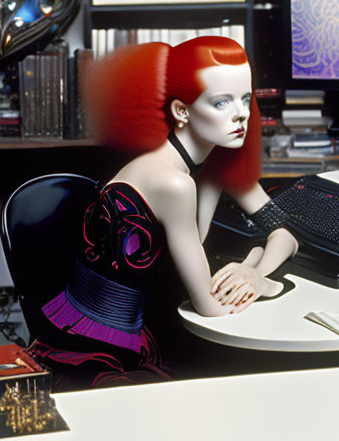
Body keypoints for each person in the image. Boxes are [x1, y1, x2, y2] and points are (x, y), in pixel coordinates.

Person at [32, 36, 298, 387]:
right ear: (181, 111)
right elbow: (210, 306)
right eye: (221, 102)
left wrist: (254, 269)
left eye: (246, 99)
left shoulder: (210, 160)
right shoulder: (172, 183)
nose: (241, 115)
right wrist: (262, 282)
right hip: (95, 353)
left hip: (142, 331)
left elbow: (285, 233)